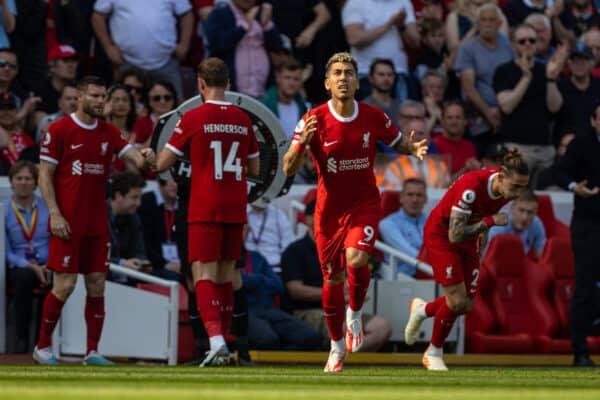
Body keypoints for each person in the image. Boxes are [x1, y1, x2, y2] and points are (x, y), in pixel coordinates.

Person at [282, 51, 428, 372]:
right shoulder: (312, 120)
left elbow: (397, 140)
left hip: (363, 204)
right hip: (328, 213)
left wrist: (413, 148)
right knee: (332, 280)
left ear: (357, 82)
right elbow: (288, 167)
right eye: (337, 72)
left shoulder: (372, 116)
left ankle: (355, 314)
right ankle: (336, 348)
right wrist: (300, 146)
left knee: (357, 258)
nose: (343, 77)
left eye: (348, 72)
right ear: (327, 82)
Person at [34, 75, 156, 366]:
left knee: (97, 284)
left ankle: (92, 352)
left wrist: (148, 157)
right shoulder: (59, 130)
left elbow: (135, 161)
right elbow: (44, 175)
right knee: (64, 285)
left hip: (98, 223)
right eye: (96, 96)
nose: (101, 101)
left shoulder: (109, 132)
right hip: (68, 223)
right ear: (79, 97)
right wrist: (54, 213)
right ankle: (42, 348)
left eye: (104, 97)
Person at [155, 57, 260, 367]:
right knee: (228, 274)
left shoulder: (192, 117)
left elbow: (163, 164)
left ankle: (215, 341)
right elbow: (254, 168)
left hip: (204, 204)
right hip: (235, 204)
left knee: (203, 272)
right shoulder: (244, 119)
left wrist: (149, 156)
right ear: (227, 83)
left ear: (201, 84)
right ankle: (226, 340)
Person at [404, 148, 529, 371]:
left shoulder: (503, 188)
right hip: (442, 235)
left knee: (466, 305)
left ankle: (422, 310)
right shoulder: (471, 187)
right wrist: (490, 223)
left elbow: (480, 216)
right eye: (515, 187)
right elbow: (454, 234)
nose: (518, 193)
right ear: (501, 176)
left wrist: (482, 239)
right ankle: (433, 352)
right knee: (456, 301)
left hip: (468, 236)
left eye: (522, 187)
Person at [282, 200, 392, 351]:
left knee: (382, 326)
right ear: (307, 219)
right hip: (307, 311)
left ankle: (344, 358)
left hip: (342, 310)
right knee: (345, 328)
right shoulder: (295, 251)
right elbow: (295, 290)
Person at [553, 101, 600, 367]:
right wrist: (575, 187)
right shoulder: (581, 145)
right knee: (584, 286)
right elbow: (559, 172)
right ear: (594, 121)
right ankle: (580, 350)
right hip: (588, 225)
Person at [493, 24, 567, 183]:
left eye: (532, 40)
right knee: (515, 198)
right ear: (513, 45)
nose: (528, 44)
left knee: (544, 201)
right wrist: (526, 77)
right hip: (516, 147)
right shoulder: (504, 71)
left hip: (544, 148)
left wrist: (551, 78)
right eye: (522, 41)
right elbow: (506, 106)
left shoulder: (546, 69)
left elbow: (555, 107)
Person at [91, 0, 193, 100]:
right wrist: (108, 48)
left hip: (166, 63)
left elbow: (186, 14)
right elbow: (98, 16)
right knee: (123, 106)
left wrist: (184, 45)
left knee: (175, 109)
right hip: (127, 63)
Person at [454, 3, 514, 155]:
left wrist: (501, 112)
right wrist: (489, 113)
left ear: (499, 24)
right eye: (483, 20)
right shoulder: (467, 49)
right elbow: (468, 88)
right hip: (477, 119)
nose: (487, 24)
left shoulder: (508, 48)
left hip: (506, 116)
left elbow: (514, 81)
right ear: (477, 23)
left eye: (491, 20)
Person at [240, 241, 321, 351]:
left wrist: (253, 281)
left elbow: (278, 285)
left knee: (310, 337)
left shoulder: (257, 257)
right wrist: (259, 279)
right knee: (267, 339)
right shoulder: (226, 260)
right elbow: (235, 282)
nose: (241, 232)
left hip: (268, 309)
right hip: (244, 310)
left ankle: (283, 357)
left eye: (244, 229)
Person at [4, 161, 50, 353]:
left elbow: (55, 239)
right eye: (19, 178)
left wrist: (49, 263)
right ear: (12, 182)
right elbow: (5, 251)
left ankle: (44, 341)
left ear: (36, 182)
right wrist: (29, 266)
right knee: (24, 278)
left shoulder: (48, 207)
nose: (23, 182)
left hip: (47, 263)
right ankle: (22, 340)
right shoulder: (3, 210)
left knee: (57, 279)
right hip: (19, 266)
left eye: (28, 178)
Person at [342, 0, 420, 101]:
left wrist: (401, 26)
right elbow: (354, 39)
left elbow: (415, 42)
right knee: (368, 115)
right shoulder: (356, 3)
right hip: (366, 74)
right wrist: (388, 24)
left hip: (397, 73)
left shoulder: (403, 2)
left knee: (400, 115)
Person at [106, 171, 155, 284]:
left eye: (139, 198)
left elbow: (138, 250)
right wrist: (121, 263)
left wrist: (141, 263)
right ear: (118, 196)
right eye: (134, 197)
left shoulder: (133, 218)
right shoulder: (97, 215)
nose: (139, 203)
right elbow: (92, 255)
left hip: (125, 283)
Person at [379, 178, 428, 277]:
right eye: (410, 195)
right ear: (401, 198)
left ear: (425, 199)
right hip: (403, 279)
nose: (414, 200)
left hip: (432, 274)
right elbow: (408, 252)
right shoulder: (387, 224)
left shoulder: (433, 221)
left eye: (419, 195)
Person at [486, 189, 546, 260]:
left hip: (520, 263)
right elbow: (491, 259)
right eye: (521, 210)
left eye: (530, 212)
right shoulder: (499, 225)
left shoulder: (536, 224)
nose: (525, 217)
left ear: (535, 212)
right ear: (512, 208)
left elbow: (541, 256)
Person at [260, 57, 309, 138]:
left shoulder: (305, 109)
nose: (291, 83)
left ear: (301, 81)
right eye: (287, 77)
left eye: (296, 79)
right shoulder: (263, 106)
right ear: (278, 78)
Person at [432, 101, 480, 179]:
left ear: (465, 121)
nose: (454, 122)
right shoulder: (434, 144)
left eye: (458, 117)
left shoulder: (469, 146)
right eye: (449, 118)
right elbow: (440, 183)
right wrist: (465, 170)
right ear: (442, 121)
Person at [245, 203, 295, 274]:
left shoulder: (278, 214)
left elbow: (289, 246)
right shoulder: (241, 214)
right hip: (248, 268)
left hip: (274, 268)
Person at [363, 58, 401, 129]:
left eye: (389, 75)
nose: (386, 78)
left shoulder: (401, 106)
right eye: (381, 74)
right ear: (371, 78)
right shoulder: (364, 108)